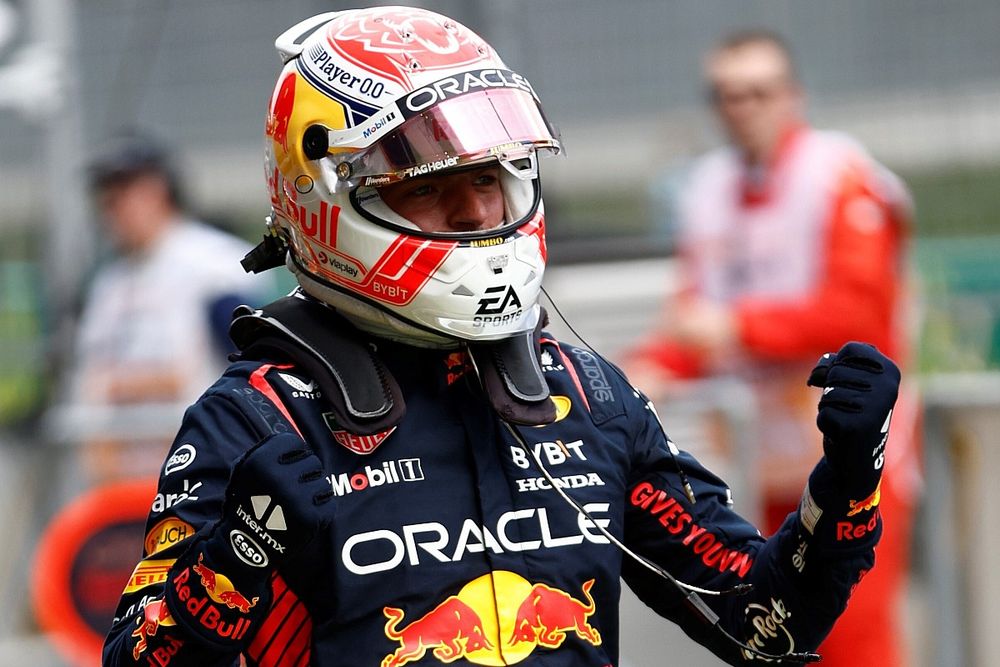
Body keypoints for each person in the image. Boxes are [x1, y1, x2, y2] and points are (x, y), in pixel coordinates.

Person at [102, 9, 900, 667]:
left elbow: (766, 624)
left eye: (487, 179)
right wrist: (238, 559)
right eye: (428, 186)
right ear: (324, 201)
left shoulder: (586, 395)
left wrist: (848, 479)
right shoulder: (257, 420)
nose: (477, 216)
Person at [628, 31, 918, 666]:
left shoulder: (841, 177)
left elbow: (861, 313)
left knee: (855, 639)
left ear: (793, 97)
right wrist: (652, 368)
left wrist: (738, 327)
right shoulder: (704, 191)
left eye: (758, 93)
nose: (743, 108)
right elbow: (693, 323)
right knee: (770, 637)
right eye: (727, 95)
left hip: (850, 456)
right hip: (754, 462)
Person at [61, 131, 273, 483]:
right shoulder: (107, 285)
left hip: (208, 470)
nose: (110, 207)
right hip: (125, 483)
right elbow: (90, 388)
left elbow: (253, 368)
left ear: (158, 189)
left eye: (122, 191)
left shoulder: (216, 265)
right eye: (106, 196)